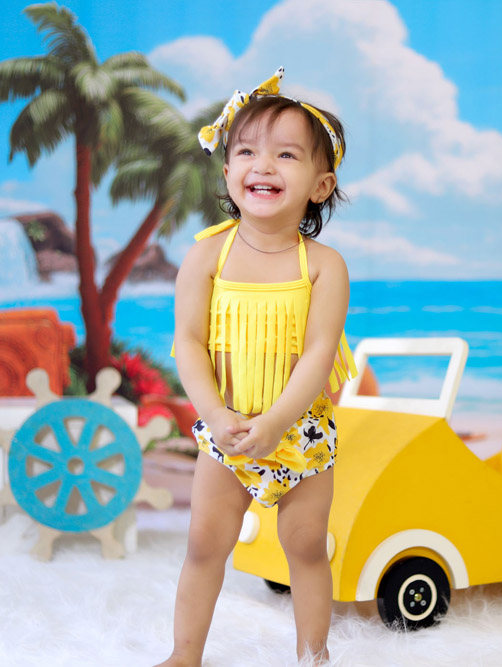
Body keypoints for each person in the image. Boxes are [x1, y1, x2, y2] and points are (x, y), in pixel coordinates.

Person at [158, 68, 355, 666]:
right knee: (204, 544)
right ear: (226, 172)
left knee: (305, 547)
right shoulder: (206, 257)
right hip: (226, 428)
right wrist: (216, 416)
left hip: (298, 430)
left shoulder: (323, 265)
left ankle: (313, 655)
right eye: (246, 151)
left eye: (285, 155)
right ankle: (184, 654)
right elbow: (189, 343)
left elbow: (319, 353)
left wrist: (275, 424)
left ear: (320, 185)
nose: (262, 165)